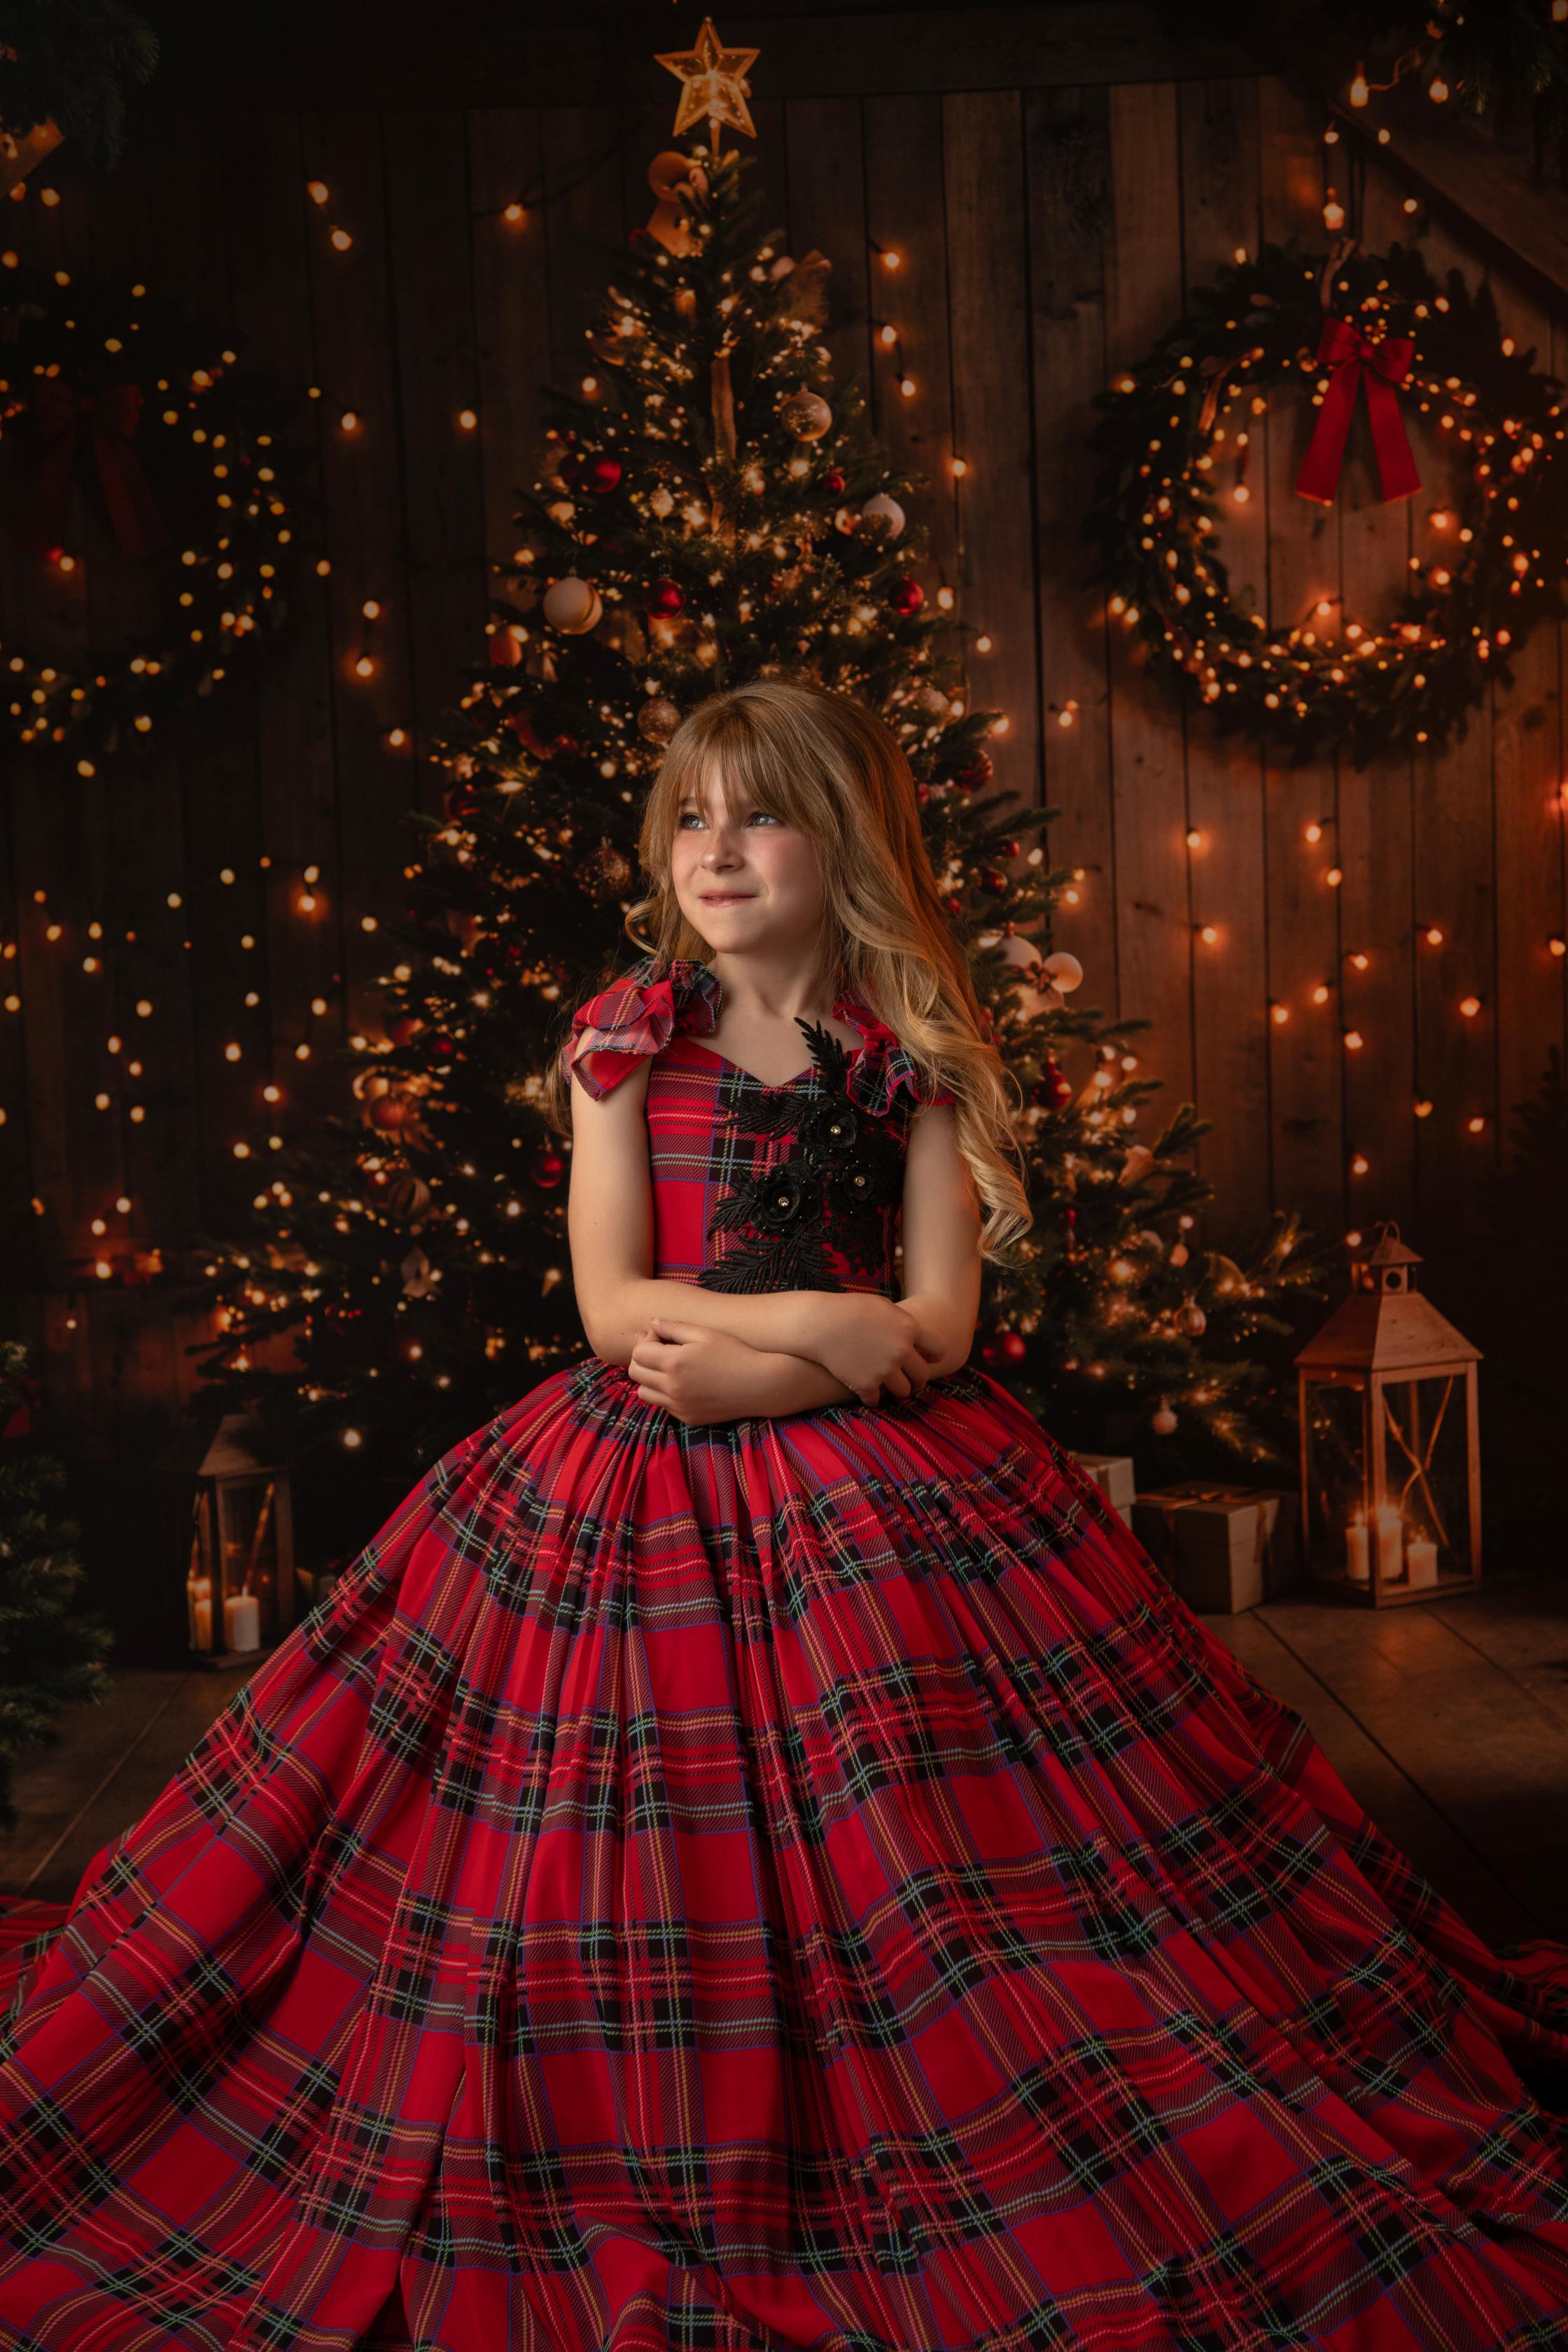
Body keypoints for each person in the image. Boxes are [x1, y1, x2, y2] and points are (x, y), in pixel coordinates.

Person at [0, 676, 1564, 2352]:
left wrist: (813, 1372)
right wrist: (811, 1330)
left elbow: (941, 1326)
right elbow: (613, 1307)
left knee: (955, 1830)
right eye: (690, 817)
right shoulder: (624, 1039)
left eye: (758, 816)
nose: (715, 850)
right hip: (637, 1442)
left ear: (848, 839)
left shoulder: (916, 1055)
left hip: (885, 1477)